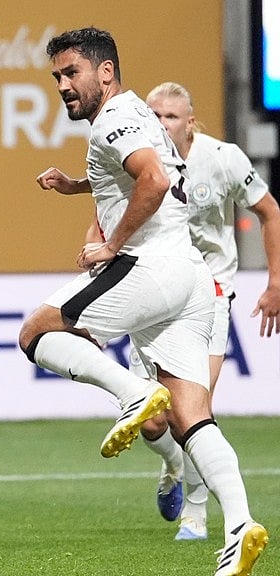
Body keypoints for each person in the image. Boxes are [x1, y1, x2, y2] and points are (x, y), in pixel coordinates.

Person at [21, 28, 268, 575]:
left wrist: (110, 244)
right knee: (191, 417)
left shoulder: (114, 118)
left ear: (104, 72)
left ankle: (132, 393)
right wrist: (76, 186)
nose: (63, 85)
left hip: (151, 265)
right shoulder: (135, 117)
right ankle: (239, 527)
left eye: (72, 73)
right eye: (57, 76)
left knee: (37, 333)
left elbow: (152, 181)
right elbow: (150, 170)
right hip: (190, 277)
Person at [129, 82, 280, 540]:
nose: (160, 123)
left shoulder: (223, 158)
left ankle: (197, 510)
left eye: (170, 116)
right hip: (155, 291)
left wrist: (275, 281)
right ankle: (174, 464)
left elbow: (269, 211)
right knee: (152, 420)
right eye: (153, 114)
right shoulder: (139, 159)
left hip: (210, 293)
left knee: (191, 409)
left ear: (190, 122)